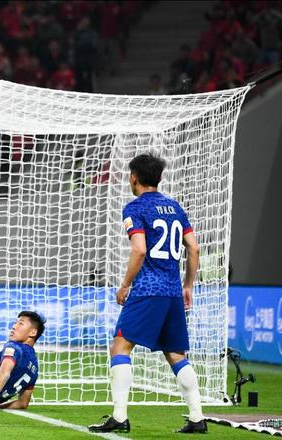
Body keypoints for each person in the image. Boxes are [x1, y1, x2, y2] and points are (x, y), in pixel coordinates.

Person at [88, 153, 204, 434]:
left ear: (133, 177)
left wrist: (125, 284)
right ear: (159, 178)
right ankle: (197, 418)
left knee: (120, 346)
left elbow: (139, 249)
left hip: (148, 289)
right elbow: (194, 247)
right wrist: (188, 285)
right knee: (176, 354)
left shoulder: (135, 208)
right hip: (173, 291)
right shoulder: (175, 207)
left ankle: (119, 417)